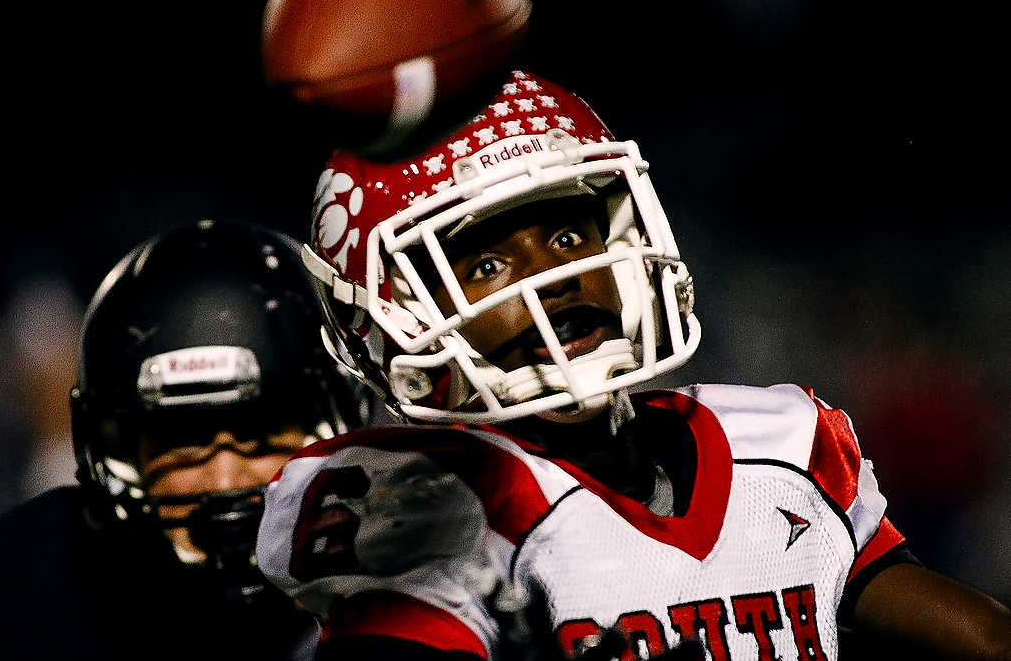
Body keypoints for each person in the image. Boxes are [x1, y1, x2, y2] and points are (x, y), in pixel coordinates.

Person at [254, 71, 1011, 660]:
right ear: (387, 313)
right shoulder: (421, 503)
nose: (555, 282)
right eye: (484, 264)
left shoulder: (779, 447)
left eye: (567, 238)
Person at [0, 220, 367, 660]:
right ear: (118, 452)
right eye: (185, 439)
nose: (224, 478)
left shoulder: (417, 579)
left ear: (337, 421)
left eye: (259, 433)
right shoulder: (28, 589)